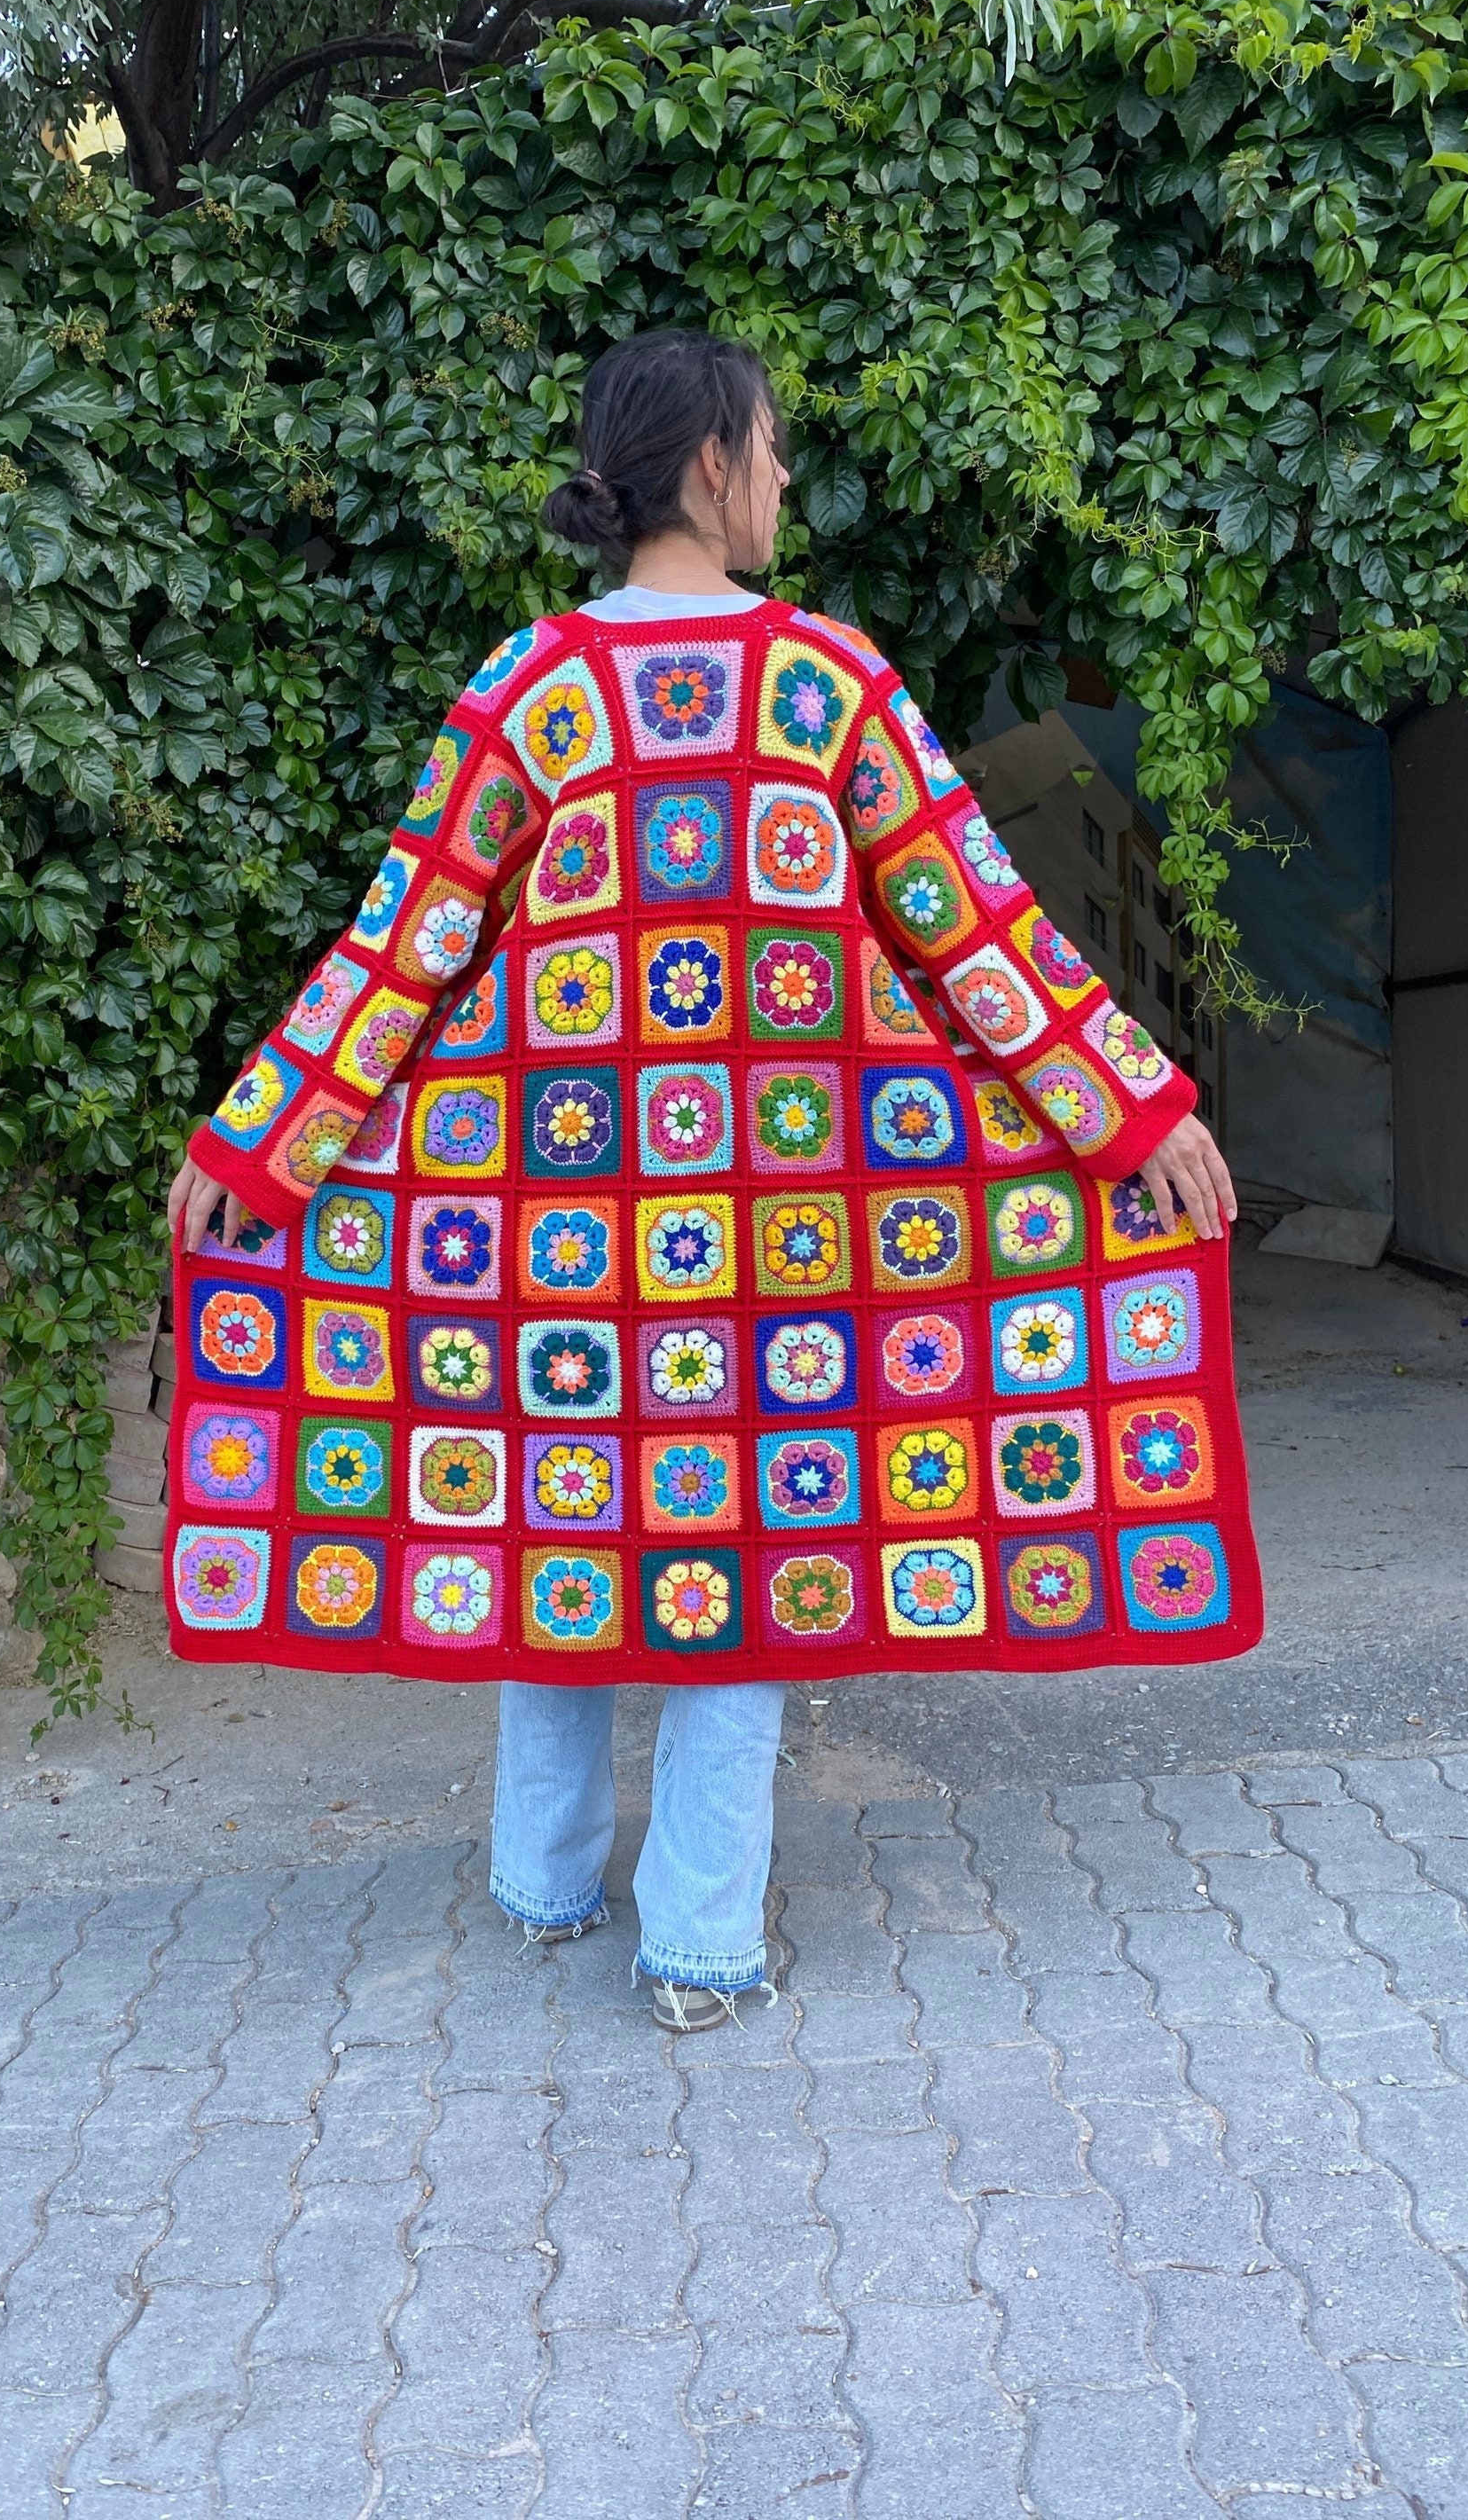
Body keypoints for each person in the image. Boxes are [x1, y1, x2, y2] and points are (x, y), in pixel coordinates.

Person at [165, 327, 1256, 2036]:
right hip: (782, 1243)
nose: (787, 479)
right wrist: (1132, 1109)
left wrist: (259, 1135)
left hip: (551, 1240)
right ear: (707, 465)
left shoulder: (533, 689)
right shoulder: (829, 685)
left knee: (540, 1524)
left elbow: (406, 944)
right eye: (772, 446)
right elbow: (975, 932)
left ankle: (542, 1885)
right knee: (747, 1564)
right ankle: (693, 1943)